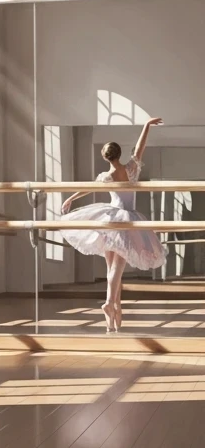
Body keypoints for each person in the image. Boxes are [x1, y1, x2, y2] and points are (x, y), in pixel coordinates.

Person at [60, 118, 166, 332]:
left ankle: (114, 312)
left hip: (110, 218)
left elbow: (88, 188)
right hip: (127, 219)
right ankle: (110, 303)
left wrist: (70, 198)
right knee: (117, 268)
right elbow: (140, 147)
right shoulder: (131, 169)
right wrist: (146, 125)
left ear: (105, 157)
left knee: (111, 268)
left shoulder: (106, 176)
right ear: (120, 154)